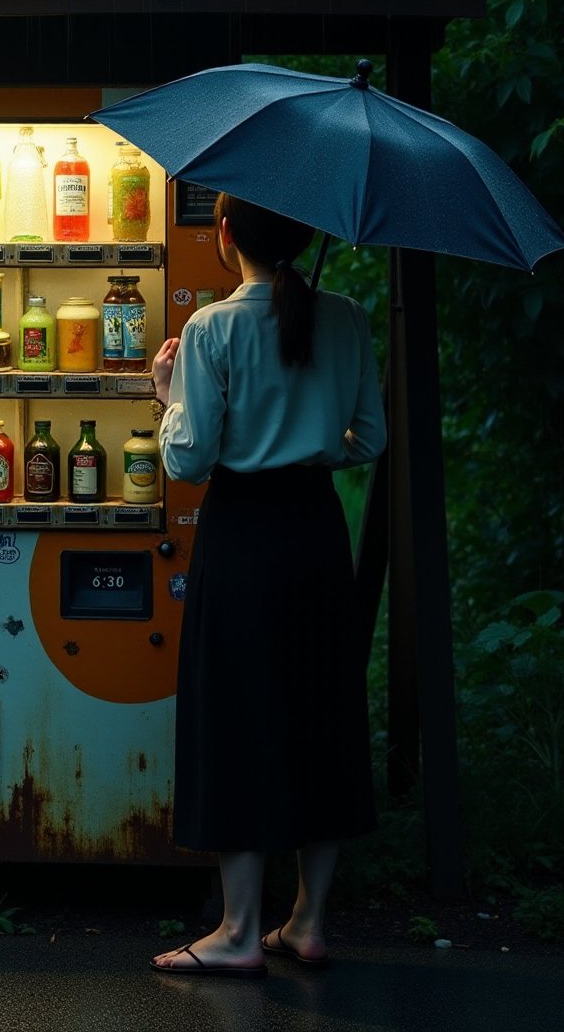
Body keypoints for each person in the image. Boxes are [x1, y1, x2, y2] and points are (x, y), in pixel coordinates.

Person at [147, 192, 387, 978]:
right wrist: (312, 444)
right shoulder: (347, 317)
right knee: (322, 710)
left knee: (237, 714)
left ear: (225, 235)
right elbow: (369, 438)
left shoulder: (214, 327)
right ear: (307, 233)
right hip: (316, 532)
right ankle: (309, 922)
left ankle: (239, 931)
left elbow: (187, 460)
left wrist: (164, 395)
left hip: (243, 533)